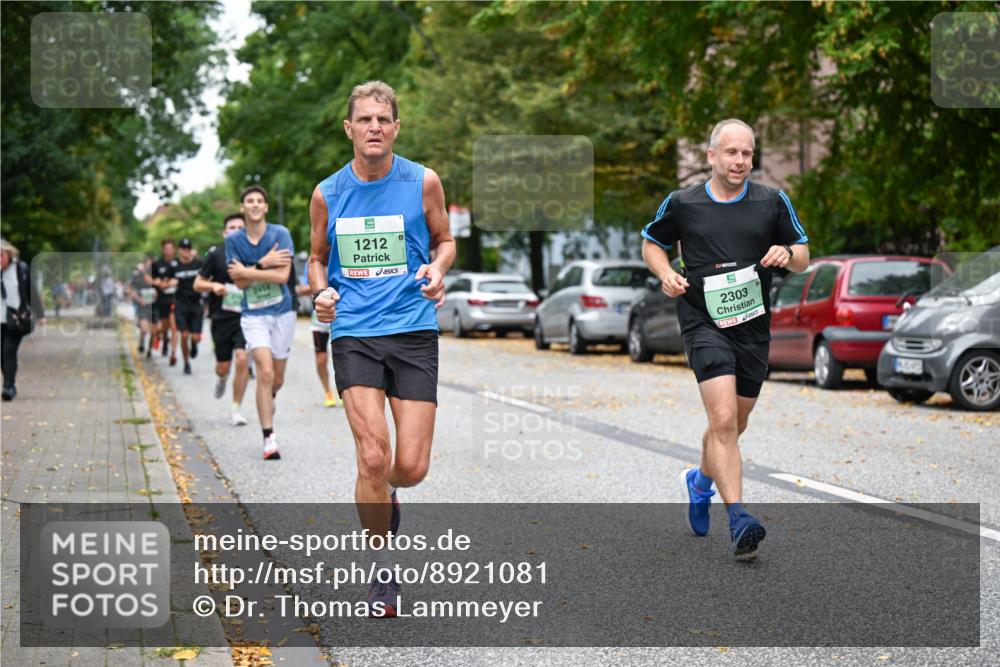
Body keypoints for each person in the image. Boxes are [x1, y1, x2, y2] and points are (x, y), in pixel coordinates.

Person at [308, 80, 455, 616]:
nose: (374, 127)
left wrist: (437, 271)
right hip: (354, 334)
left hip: (414, 330)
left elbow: (445, 240)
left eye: (383, 120)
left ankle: (384, 489)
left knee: (409, 467)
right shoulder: (328, 192)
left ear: (396, 128)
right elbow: (316, 257)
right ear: (349, 129)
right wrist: (321, 291)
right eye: (364, 119)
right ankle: (382, 571)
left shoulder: (423, 182)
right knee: (373, 455)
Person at [641, 119, 810, 560]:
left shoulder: (772, 202)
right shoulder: (684, 202)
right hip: (703, 320)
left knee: (735, 424)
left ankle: (699, 484)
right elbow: (651, 243)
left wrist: (787, 255)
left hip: (753, 327)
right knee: (721, 421)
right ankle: (739, 519)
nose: (740, 161)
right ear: (711, 155)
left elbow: (804, 256)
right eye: (731, 153)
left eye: (747, 154)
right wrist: (666, 274)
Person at [226, 185, 295, 460]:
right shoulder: (234, 241)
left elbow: (282, 277)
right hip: (253, 314)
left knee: (276, 379)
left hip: (283, 312)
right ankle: (269, 438)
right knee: (264, 373)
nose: (254, 205)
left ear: (265, 207)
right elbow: (239, 283)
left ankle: (270, 399)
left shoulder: (281, 234)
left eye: (259, 201)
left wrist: (250, 269)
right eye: (249, 201)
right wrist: (265, 263)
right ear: (243, 208)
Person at [195, 213, 252, 426]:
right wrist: (213, 286)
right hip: (221, 317)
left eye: (240, 227)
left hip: (246, 316)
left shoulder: (251, 253)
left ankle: (236, 408)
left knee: (242, 359)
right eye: (231, 227)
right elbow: (197, 284)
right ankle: (221, 378)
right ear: (224, 232)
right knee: (223, 365)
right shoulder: (215, 254)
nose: (236, 230)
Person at [2, 239, 44, 401]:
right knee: (1, 354)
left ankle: (8, 387)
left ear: (9, 254)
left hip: (15, 319)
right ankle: (9, 382)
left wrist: (40, 315)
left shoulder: (20, 268)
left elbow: (31, 291)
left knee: (8, 351)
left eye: (1, 255)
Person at [296, 269, 340, 408]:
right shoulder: (314, 263)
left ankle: (344, 391)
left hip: (342, 317)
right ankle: (328, 392)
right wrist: (319, 285)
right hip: (319, 319)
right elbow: (300, 289)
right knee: (321, 359)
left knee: (343, 357)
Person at [173, 238, 206, 375]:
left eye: (188, 248)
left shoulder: (199, 264)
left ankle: (194, 345)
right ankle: (186, 363)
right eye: (183, 248)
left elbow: (207, 277)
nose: (186, 251)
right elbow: (166, 280)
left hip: (196, 304)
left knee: (195, 337)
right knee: (184, 335)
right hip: (181, 304)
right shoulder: (174, 266)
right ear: (179, 250)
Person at [149, 239, 180, 365]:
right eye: (166, 249)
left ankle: (173, 353)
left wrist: (171, 282)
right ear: (163, 250)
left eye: (170, 248)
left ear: (174, 249)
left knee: (174, 326)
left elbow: (179, 278)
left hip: (175, 299)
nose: (168, 251)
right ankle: (164, 341)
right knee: (163, 327)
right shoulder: (156, 264)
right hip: (161, 300)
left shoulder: (178, 263)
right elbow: (148, 278)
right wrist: (156, 283)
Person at [129, 258, 155, 355]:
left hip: (154, 307)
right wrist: (140, 300)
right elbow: (132, 290)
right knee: (144, 329)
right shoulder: (138, 277)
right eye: (149, 264)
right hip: (143, 307)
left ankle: (150, 350)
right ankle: (142, 341)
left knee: (154, 331)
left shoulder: (156, 276)